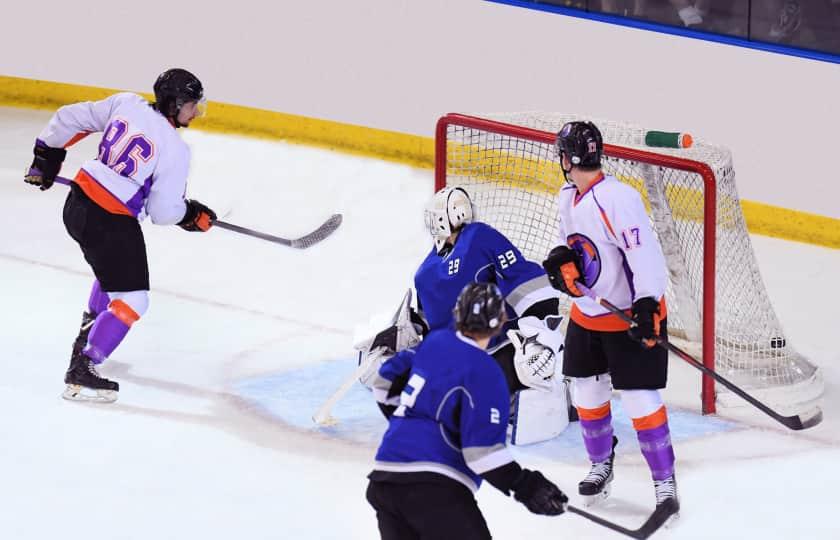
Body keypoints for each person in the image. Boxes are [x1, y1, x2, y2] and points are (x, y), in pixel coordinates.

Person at [23, 68, 217, 403]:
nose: (196, 112)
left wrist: (46, 156)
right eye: (192, 105)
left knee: (111, 272)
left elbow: (69, 118)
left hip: (77, 206)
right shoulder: (175, 149)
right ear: (175, 104)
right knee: (133, 299)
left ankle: (90, 331)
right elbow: (163, 211)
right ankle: (83, 368)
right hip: (109, 221)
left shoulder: (127, 103)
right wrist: (191, 214)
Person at [541, 121, 679, 517]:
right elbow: (570, 246)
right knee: (586, 392)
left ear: (567, 159)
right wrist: (562, 263)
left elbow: (644, 256)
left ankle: (664, 483)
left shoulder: (619, 199)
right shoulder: (566, 198)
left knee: (639, 400)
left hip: (631, 316)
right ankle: (601, 466)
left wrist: (647, 304)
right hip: (589, 317)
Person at [366, 282, 568, 540]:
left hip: (385, 478)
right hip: (433, 486)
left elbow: (383, 383)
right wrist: (526, 485)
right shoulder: (486, 371)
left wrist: (408, 424)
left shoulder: (434, 343)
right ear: (500, 322)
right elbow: (481, 453)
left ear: (458, 313)